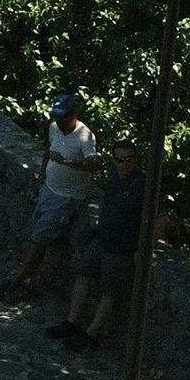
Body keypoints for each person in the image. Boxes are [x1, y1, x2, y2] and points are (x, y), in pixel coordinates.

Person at [47, 140, 147, 350]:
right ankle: (72, 322)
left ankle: (91, 334)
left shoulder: (143, 185)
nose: (125, 164)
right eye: (120, 160)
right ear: (114, 160)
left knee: (109, 292)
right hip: (102, 239)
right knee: (82, 273)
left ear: (136, 159)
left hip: (121, 247)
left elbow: (161, 217)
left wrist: (145, 247)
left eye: (129, 159)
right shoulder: (114, 177)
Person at [3, 93, 101, 299]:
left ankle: (16, 280)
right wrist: (42, 174)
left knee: (40, 238)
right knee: (39, 234)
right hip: (49, 189)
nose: (59, 121)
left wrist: (67, 162)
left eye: (63, 117)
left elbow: (93, 165)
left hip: (67, 197)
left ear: (73, 115)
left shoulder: (85, 137)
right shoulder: (54, 128)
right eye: (56, 116)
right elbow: (49, 149)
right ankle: (30, 282)